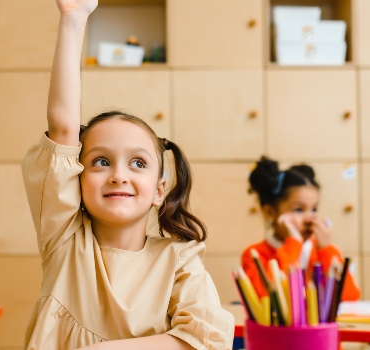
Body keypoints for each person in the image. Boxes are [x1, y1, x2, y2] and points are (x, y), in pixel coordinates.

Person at [20, 0, 234, 349]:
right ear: (76, 177)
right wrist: (73, 18)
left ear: (159, 190)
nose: (119, 175)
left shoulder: (179, 260)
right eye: (101, 162)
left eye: (138, 163)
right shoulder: (64, 238)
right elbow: (61, 127)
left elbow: (203, 340)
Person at [241, 156, 360, 301]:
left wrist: (326, 251)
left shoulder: (322, 252)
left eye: (314, 209)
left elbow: (349, 299)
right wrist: (293, 244)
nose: (310, 218)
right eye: (298, 210)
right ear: (270, 212)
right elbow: (270, 299)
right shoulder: (255, 255)